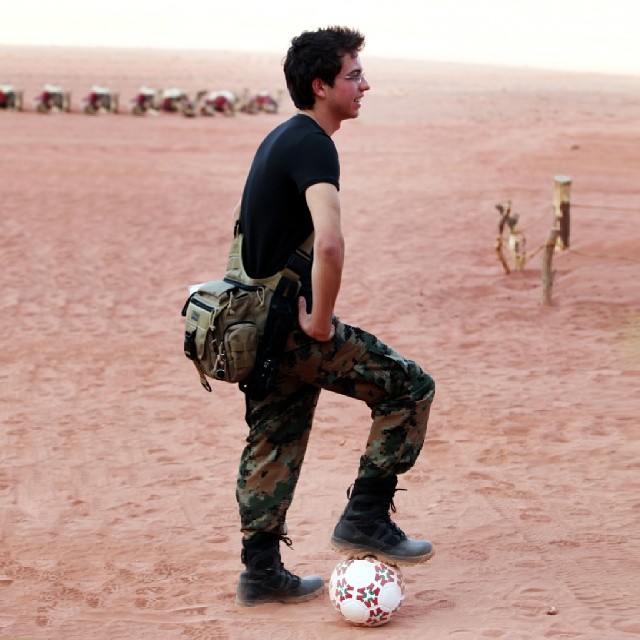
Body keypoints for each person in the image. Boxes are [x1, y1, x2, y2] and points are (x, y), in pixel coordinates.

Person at [232, 26, 436, 607]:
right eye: (354, 75)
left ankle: (260, 573)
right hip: (291, 324)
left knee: (275, 436)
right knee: (408, 387)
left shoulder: (282, 137)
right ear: (321, 86)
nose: (364, 85)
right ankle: (366, 515)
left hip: (259, 325)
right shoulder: (314, 144)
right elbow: (329, 243)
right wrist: (320, 322)